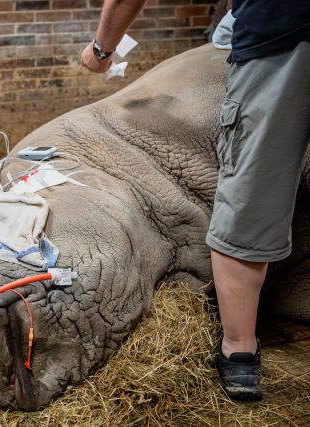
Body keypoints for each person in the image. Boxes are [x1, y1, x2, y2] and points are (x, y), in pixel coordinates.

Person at [81, 0, 310, 401]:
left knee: (251, 193)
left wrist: (101, 50)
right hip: (283, 30)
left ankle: (239, 347)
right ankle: (238, 344)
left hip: (283, 34)